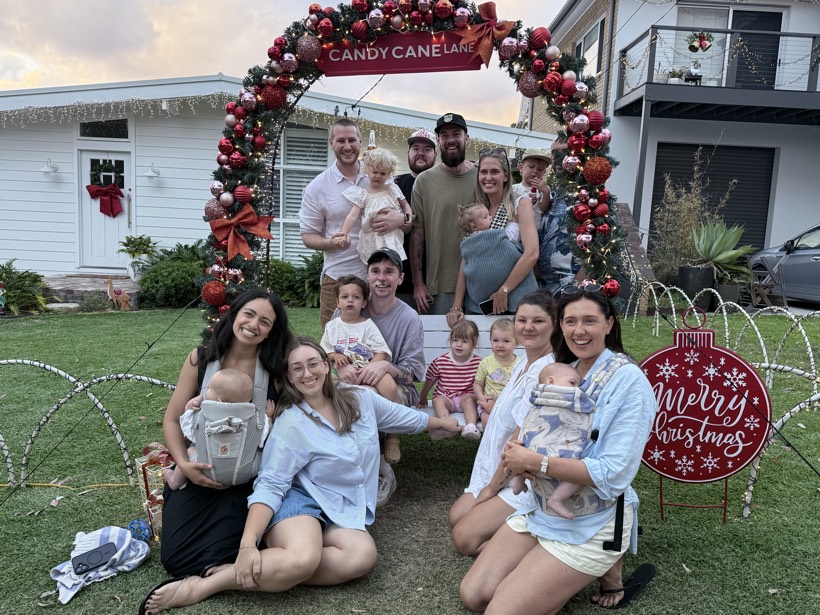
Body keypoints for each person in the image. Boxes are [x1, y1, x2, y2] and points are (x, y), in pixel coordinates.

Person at [140, 337, 460, 614]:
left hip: (339, 508)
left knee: (362, 556)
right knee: (304, 559)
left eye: (313, 363)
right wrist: (249, 543)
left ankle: (279, 564)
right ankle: (209, 584)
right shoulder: (291, 423)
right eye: (297, 368)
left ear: (327, 364)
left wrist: (442, 424)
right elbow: (271, 485)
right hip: (299, 502)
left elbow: (404, 417)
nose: (307, 373)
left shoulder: (360, 399)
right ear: (290, 378)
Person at [459, 286, 657, 614]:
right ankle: (552, 582)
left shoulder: (629, 382)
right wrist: (518, 451)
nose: (579, 331)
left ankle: (602, 562)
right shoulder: (563, 369)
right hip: (540, 507)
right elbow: (532, 423)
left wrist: (537, 462)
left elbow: (614, 473)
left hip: (592, 517)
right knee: (474, 595)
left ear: (609, 324)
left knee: (500, 611)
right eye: (570, 321)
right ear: (560, 326)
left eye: (590, 321)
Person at [157, 289, 293, 579]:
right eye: (249, 314)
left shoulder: (274, 370)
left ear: (271, 332)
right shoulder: (201, 360)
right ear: (234, 314)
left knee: (226, 551)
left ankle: (231, 561)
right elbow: (171, 420)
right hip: (200, 469)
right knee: (175, 560)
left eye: (265, 322)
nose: (254, 325)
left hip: (247, 478)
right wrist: (184, 466)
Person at [448, 290, 557, 556]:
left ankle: (541, 545)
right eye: (522, 320)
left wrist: (491, 488)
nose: (528, 327)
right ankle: (507, 529)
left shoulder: (546, 372)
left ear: (554, 324)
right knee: (456, 517)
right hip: (492, 465)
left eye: (538, 321)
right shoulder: (522, 363)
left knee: (464, 539)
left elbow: (518, 440)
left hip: (518, 477)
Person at [299, 118, 409, 327]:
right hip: (339, 279)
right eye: (341, 140)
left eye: (352, 140)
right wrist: (333, 242)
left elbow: (408, 220)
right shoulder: (317, 187)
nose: (347, 146)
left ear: (360, 141)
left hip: (379, 280)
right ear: (331, 142)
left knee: (380, 343)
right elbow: (307, 236)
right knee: (335, 347)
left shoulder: (380, 174)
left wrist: (401, 219)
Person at [335, 247, 426, 497]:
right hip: (353, 382)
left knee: (365, 395)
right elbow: (332, 352)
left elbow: (414, 374)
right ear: (368, 276)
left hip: (397, 391)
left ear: (400, 278)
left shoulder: (409, 318)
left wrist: (386, 366)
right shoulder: (348, 309)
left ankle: (382, 470)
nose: (381, 277)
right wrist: (342, 367)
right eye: (375, 271)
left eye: (389, 271)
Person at [448, 148, 539, 321]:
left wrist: (503, 291)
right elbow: (467, 258)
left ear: (506, 176)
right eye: (483, 172)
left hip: (515, 302)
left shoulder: (520, 203)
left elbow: (532, 253)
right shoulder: (478, 211)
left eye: (494, 172)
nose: (488, 177)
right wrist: (457, 305)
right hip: (478, 304)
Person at [410, 113, 478, 314]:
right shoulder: (424, 181)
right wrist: (418, 283)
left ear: (466, 138)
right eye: (444, 135)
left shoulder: (483, 175)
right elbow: (417, 233)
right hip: (441, 284)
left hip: (481, 280)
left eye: (456, 134)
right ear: (438, 141)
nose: (450, 140)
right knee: (445, 344)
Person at [510, 362, 586, 522]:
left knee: (524, 453)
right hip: (552, 453)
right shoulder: (567, 398)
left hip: (528, 449)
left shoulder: (536, 396)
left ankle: (518, 481)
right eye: (572, 383)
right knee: (577, 474)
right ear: (551, 382)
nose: (577, 389)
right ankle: (556, 499)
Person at [163, 368, 257, 491]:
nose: (206, 390)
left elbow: (190, 430)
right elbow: (262, 433)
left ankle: (175, 480)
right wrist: (269, 418)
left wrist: (189, 408)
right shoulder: (252, 415)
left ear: (219, 401)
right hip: (242, 471)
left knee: (190, 451)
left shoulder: (205, 414)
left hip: (206, 467)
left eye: (209, 389)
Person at [320, 275, 397, 402]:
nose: (350, 300)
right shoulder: (331, 326)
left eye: (356, 297)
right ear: (338, 303)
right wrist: (335, 356)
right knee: (327, 381)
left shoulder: (368, 326)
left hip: (366, 369)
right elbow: (324, 352)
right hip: (341, 369)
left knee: (389, 385)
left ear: (364, 303)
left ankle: (394, 413)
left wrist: (368, 369)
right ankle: (334, 411)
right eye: (345, 297)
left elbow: (382, 352)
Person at [333, 148, 413, 265]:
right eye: (375, 172)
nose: (378, 176)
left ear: (389, 174)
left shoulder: (392, 190)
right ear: (367, 170)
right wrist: (344, 233)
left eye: (383, 173)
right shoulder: (362, 195)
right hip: (372, 238)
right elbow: (352, 215)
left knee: (392, 266)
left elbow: (405, 205)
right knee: (375, 266)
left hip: (392, 237)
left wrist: (407, 217)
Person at [417, 319, 483, 441]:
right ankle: (445, 424)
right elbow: (430, 380)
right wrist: (423, 396)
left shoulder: (479, 363)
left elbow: (482, 383)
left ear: (473, 344)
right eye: (455, 340)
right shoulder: (441, 362)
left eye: (464, 341)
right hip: (446, 396)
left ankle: (470, 426)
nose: (459, 344)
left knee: (470, 401)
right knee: (437, 400)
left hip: (465, 396)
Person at [394, 128, 437, 307]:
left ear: (436, 154)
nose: (421, 153)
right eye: (416, 148)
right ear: (408, 153)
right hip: (400, 280)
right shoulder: (393, 185)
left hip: (436, 281)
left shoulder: (441, 185)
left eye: (427, 149)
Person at [538, 140, 584, 295]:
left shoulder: (587, 196)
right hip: (545, 286)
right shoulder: (550, 195)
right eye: (554, 153)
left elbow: (600, 245)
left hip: (571, 286)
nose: (558, 158)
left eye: (565, 152)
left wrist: (579, 284)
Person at [472, 317, 518, 424]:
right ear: (490, 341)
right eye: (495, 340)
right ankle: (488, 441)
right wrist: (481, 397)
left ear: (516, 342)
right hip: (488, 404)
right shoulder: (486, 362)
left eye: (506, 341)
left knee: (512, 423)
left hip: (509, 405)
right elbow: (478, 384)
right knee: (487, 421)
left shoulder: (519, 364)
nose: (500, 345)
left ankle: (508, 441)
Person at [512, 148, 552, 228]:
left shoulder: (544, 189)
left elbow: (543, 209)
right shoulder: (514, 189)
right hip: (517, 228)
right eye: (531, 167)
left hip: (536, 231)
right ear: (521, 168)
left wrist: (546, 193)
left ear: (544, 172)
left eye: (540, 169)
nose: (535, 171)